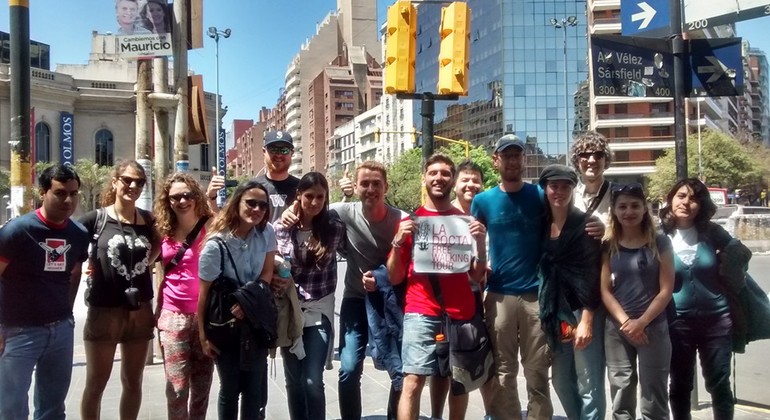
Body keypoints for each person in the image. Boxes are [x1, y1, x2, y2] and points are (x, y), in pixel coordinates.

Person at [387, 153, 487, 420]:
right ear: (424, 179)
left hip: (460, 312)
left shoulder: (466, 222)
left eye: (445, 173)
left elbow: (476, 275)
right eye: (433, 173)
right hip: (420, 311)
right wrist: (398, 242)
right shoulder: (410, 222)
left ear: (452, 180)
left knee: (458, 382)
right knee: (412, 381)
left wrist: (480, 244)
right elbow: (395, 277)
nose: (439, 178)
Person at [471, 134, 553, 420]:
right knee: (503, 371)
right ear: (496, 160)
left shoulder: (540, 195)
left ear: (524, 159)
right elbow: (471, 245)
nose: (513, 160)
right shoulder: (482, 201)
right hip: (499, 294)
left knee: (538, 369)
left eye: (517, 155)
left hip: (536, 294)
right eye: (507, 155)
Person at [0, 165, 89, 419]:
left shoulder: (78, 234)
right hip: (18, 332)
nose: (68, 200)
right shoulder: (16, 231)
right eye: (60, 193)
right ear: (43, 192)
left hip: (60, 332)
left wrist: (67, 316)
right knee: (11, 408)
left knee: (53, 407)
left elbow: (74, 274)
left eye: (73, 193)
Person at [660, 178, 749, 420]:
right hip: (677, 324)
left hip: (717, 322)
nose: (686, 203)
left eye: (694, 198)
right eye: (681, 196)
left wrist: (727, 265)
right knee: (680, 384)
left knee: (719, 383)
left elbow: (741, 252)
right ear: (670, 200)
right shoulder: (659, 235)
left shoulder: (712, 232)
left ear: (701, 205)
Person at [80, 160, 160, 420]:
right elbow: (68, 243)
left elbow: (162, 246)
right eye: (127, 180)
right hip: (104, 311)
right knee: (96, 384)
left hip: (139, 310)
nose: (133, 185)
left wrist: (144, 265)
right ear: (115, 182)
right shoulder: (97, 219)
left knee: (133, 382)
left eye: (139, 182)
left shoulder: (149, 221)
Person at [198, 180, 275, 420]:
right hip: (226, 326)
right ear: (237, 203)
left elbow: (267, 273)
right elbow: (204, 294)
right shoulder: (216, 244)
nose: (257, 209)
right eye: (251, 203)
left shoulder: (266, 232)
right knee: (230, 389)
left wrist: (248, 303)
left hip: (256, 322)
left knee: (254, 390)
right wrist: (203, 337)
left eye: (263, 205)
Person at [274, 172, 346, 419]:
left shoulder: (333, 228)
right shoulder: (281, 228)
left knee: (312, 380)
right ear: (299, 196)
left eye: (320, 197)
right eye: (309, 196)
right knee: (294, 381)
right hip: (290, 311)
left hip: (319, 310)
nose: (314, 202)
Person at [600, 183, 674, 420]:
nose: (628, 211)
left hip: (653, 326)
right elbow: (605, 291)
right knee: (621, 391)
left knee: (654, 394)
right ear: (614, 210)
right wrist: (626, 323)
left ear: (644, 208)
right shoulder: (608, 245)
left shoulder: (660, 242)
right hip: (617, 330)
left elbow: (666, 290)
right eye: (622, 206)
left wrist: (641, 322)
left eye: (635, 206)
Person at [536, 164, 602, 420]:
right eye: (554, 186)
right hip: (556, 313)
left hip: (582, 311)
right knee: (561, 380)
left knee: (589, 381)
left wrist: (587, 320)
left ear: (573, 189)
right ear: (545, 189)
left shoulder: (586, 225)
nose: (559, 192)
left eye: (566, 186)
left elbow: (592, 274)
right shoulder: (540, 224)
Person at [431, 159, 489, 419]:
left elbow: (482, 267)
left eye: (476, 180)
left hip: (477, 300)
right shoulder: (442, 216)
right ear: (455, 184)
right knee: (441, 366)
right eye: (465, 179)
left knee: (472, 365)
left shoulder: (486, 216)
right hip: (442, 302)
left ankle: (489, 413)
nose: (471, 185)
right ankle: (436, 415)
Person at [155, 173, 215, 420]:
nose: (181, 201)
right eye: (175, 197)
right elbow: (150, 267)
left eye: (187, 195)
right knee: (177, 388)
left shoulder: (210, 225)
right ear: (167, 201)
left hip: (205, 317)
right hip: (173, 317)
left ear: (196, 196)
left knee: (202, 388)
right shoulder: (161, 231)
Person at [567, 130, 613, 419]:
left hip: (611, 294)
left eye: (598, 155)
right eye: (585, 155)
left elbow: (643, 233)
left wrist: (608, 232)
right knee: (570, 375)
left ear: (606, 160)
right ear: (577, 161)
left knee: (597, 375)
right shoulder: (568, 195)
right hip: (573, 293)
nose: (592, 160)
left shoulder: (619, 194)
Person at [254, 130, 300, 224]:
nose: (278, 155)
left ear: (292, 153)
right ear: (264, 151)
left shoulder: (302, 188)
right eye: (273, 149)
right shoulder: (252, 188)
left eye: (284, 150)